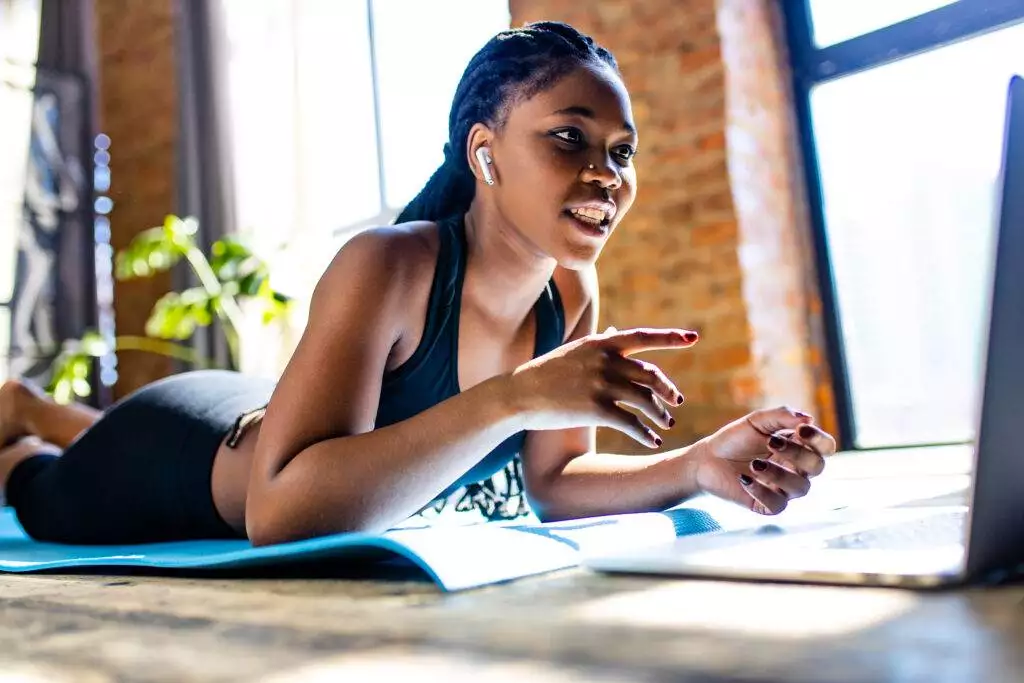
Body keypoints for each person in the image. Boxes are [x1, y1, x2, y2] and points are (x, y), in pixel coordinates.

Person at [0, 21, 835, 547]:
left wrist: (697, 465)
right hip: (169, 457)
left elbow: (551, 485)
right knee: (32, 484)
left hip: (252, 406)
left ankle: (36, 406)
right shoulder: (390, 264)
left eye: (621, 151)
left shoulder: (570, 294)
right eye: (568, 138)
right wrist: (514, 397)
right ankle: (25, 423)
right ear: (485, 154)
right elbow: (275, 513)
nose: (605, 172)